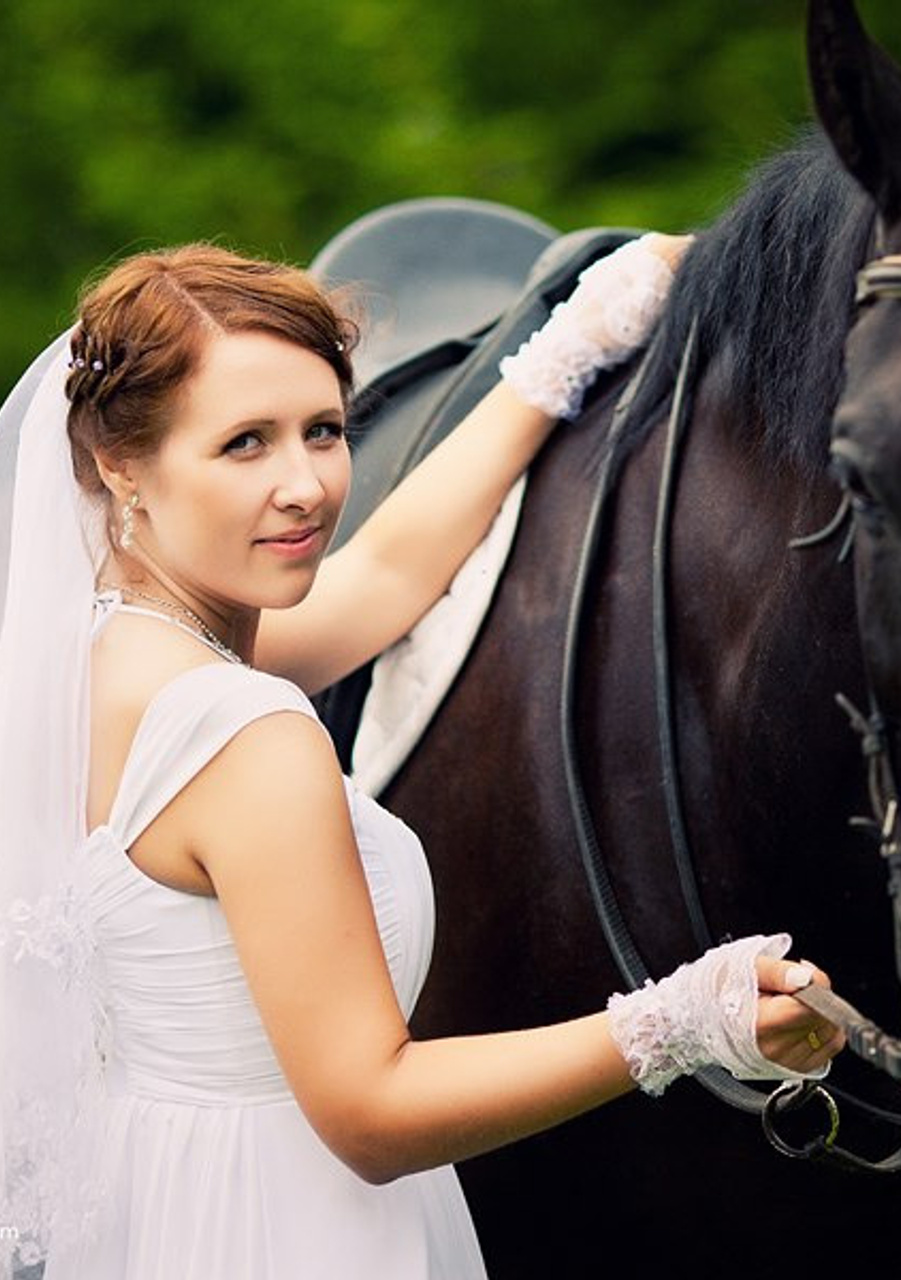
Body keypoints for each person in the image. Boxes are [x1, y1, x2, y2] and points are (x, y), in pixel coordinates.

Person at [0, 237, 844, 1279]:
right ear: (118, 466)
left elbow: (390, 570)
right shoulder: (243, 736)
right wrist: (685, 1016)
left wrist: (566, 349)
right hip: (278, 1230)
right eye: (244, 445)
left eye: (322, 430)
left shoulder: (90, 660)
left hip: (158, 1206)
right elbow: (371, 1107)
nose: (305, 484)